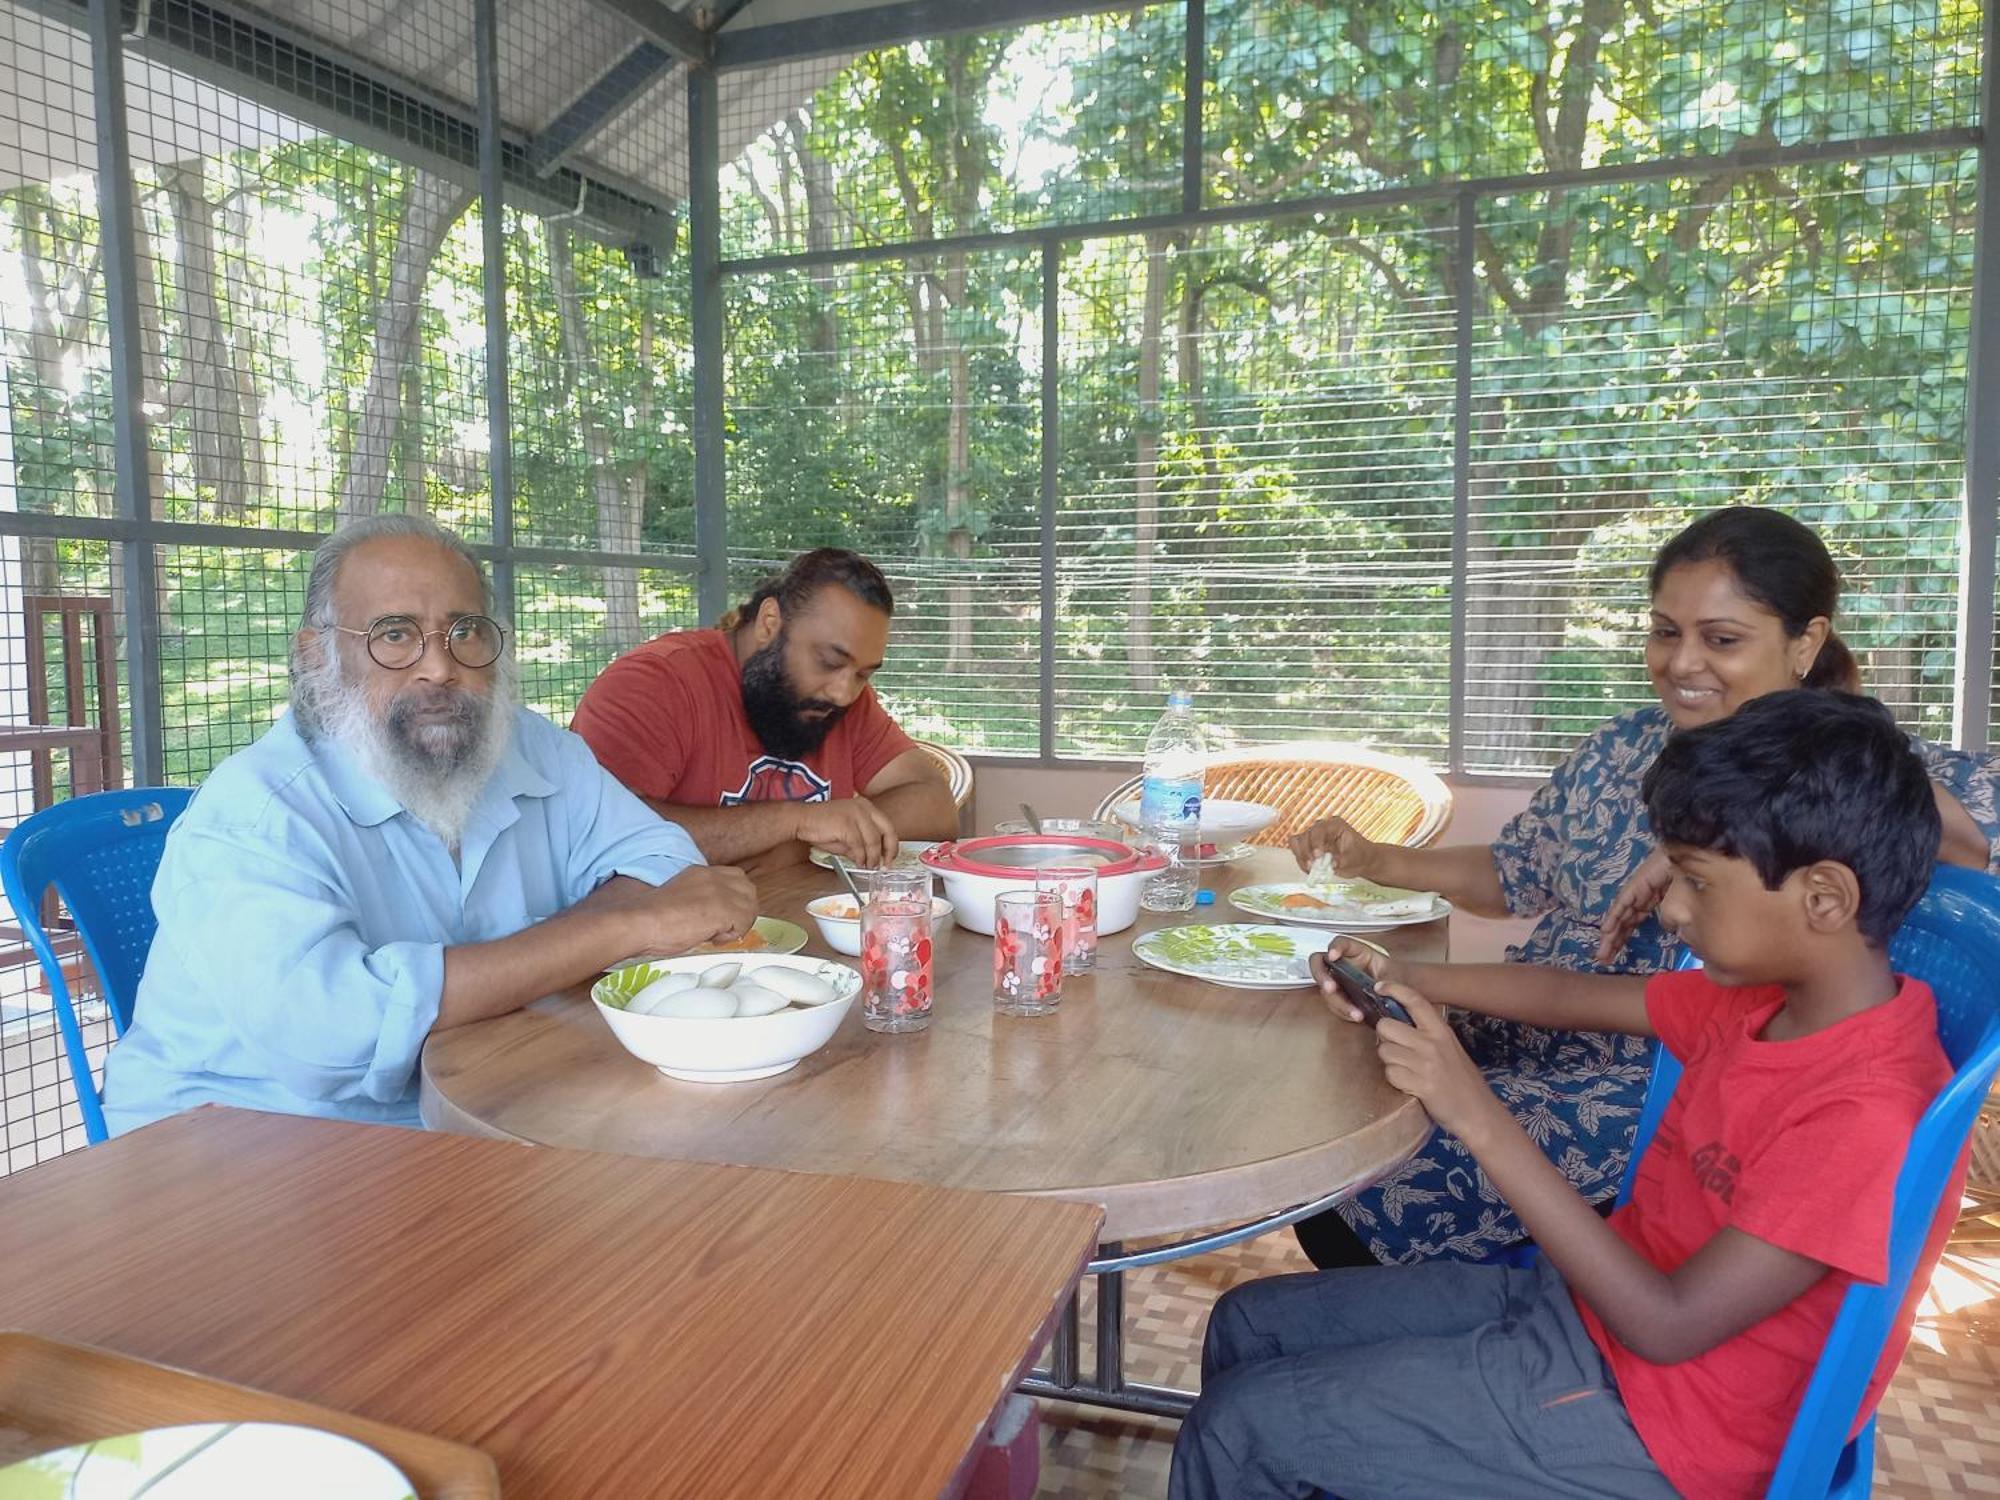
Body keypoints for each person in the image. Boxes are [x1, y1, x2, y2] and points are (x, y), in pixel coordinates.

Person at [1170, 689, 1967, 1500]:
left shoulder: (1865, 1112)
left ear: (1824, 898)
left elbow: (1666, 1326)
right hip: (1584, 1318)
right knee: (1250, 1323)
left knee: (1239, 1432)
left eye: (1696, 881)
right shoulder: (1767, 1003)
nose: (1674, 911)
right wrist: (1408, 976)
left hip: (1670, 1429)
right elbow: (1566, 993)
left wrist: (1475, 1111)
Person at [1288, 505, 1999, 1268]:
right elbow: (1512, 872)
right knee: (1338, 1089)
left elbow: (1971, 843)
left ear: (1806, 643)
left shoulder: (1869, 780)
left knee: (1381, 1175)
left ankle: (1457, 1357)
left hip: (1653, 1084)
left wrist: (1791, 757)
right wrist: (1378, 859)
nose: (1682, 662)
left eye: (1721, 639)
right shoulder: (1622, 747)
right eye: (1666, 631)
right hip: (1528, 1021)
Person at [101, 514, 756, 1134]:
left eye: (465, 630)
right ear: (315, 656)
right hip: (242, 1144)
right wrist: (622, 926)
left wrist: (573, 943)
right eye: (394, 634)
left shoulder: (529, 746)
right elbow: (329, 1040)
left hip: (474, 1103)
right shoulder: (257, 816)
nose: (440, 667)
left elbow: (663, 857)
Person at [569, 548, 958, 873]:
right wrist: (796, 821)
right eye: (827, 660)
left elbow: (934, 802)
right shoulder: (653, 684)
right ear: (770, 624)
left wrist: (796, 847)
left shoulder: (843, 698)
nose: (844, 693)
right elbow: (605, 835)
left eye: (863, 674)